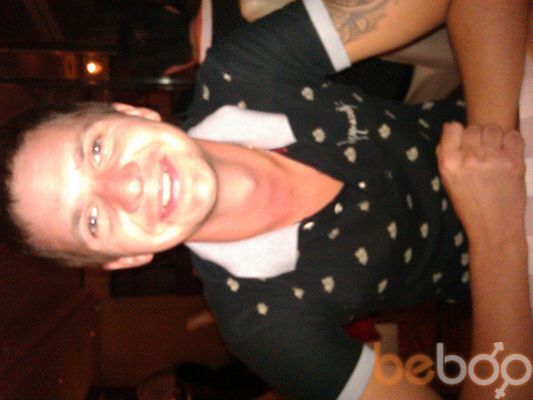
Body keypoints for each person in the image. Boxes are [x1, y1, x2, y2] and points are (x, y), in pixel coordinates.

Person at [0, 1, 530, 399]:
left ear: (130, 113)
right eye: (92, 220)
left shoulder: (243, 69)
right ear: (124, 260)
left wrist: (492, 138)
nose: (126, 187)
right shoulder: (266, 331)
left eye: (96, 149)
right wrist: (498, 238)